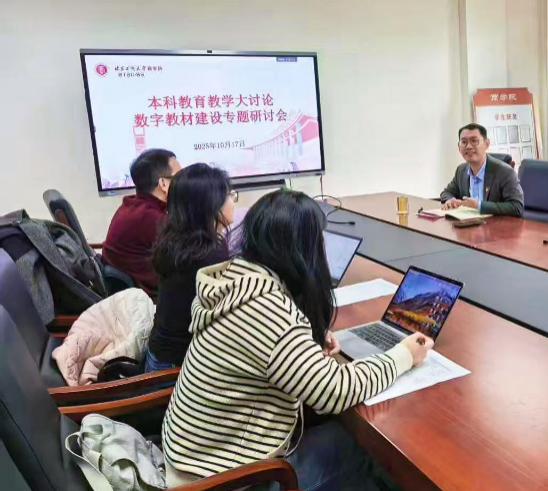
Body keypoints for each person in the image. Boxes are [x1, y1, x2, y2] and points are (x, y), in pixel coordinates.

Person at [161, 189, 433, 490]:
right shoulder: (268, 312)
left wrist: (304, 346)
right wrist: (404, 355)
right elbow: (336, 391)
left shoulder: (236, 279)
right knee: (366, 452)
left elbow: (266, 351)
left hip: (192, 459)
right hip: (226, 479)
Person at [144, 164, 235, 373]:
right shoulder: (209, 253)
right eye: (229, 195)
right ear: (210, 205)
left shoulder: (178, 241)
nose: (232, 201)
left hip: (159, 356)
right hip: (174, 370)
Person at [102, 149, 181, 295]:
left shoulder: (133, 207)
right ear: (163, 183)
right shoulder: (149, 218)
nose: (184, 182)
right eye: (179, 177)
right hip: (149, 298)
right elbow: (188, 254)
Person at [439, 123, 524, 217]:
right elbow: (446, 193)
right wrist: (450, 200)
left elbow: (517, 206)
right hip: (467, 223)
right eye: (464, 142)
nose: (468, 146)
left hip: (495, 224)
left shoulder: (504, 171)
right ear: (459, 147)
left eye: (474, 141)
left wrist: (479, 206)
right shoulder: (461, 170)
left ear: (486, 144)